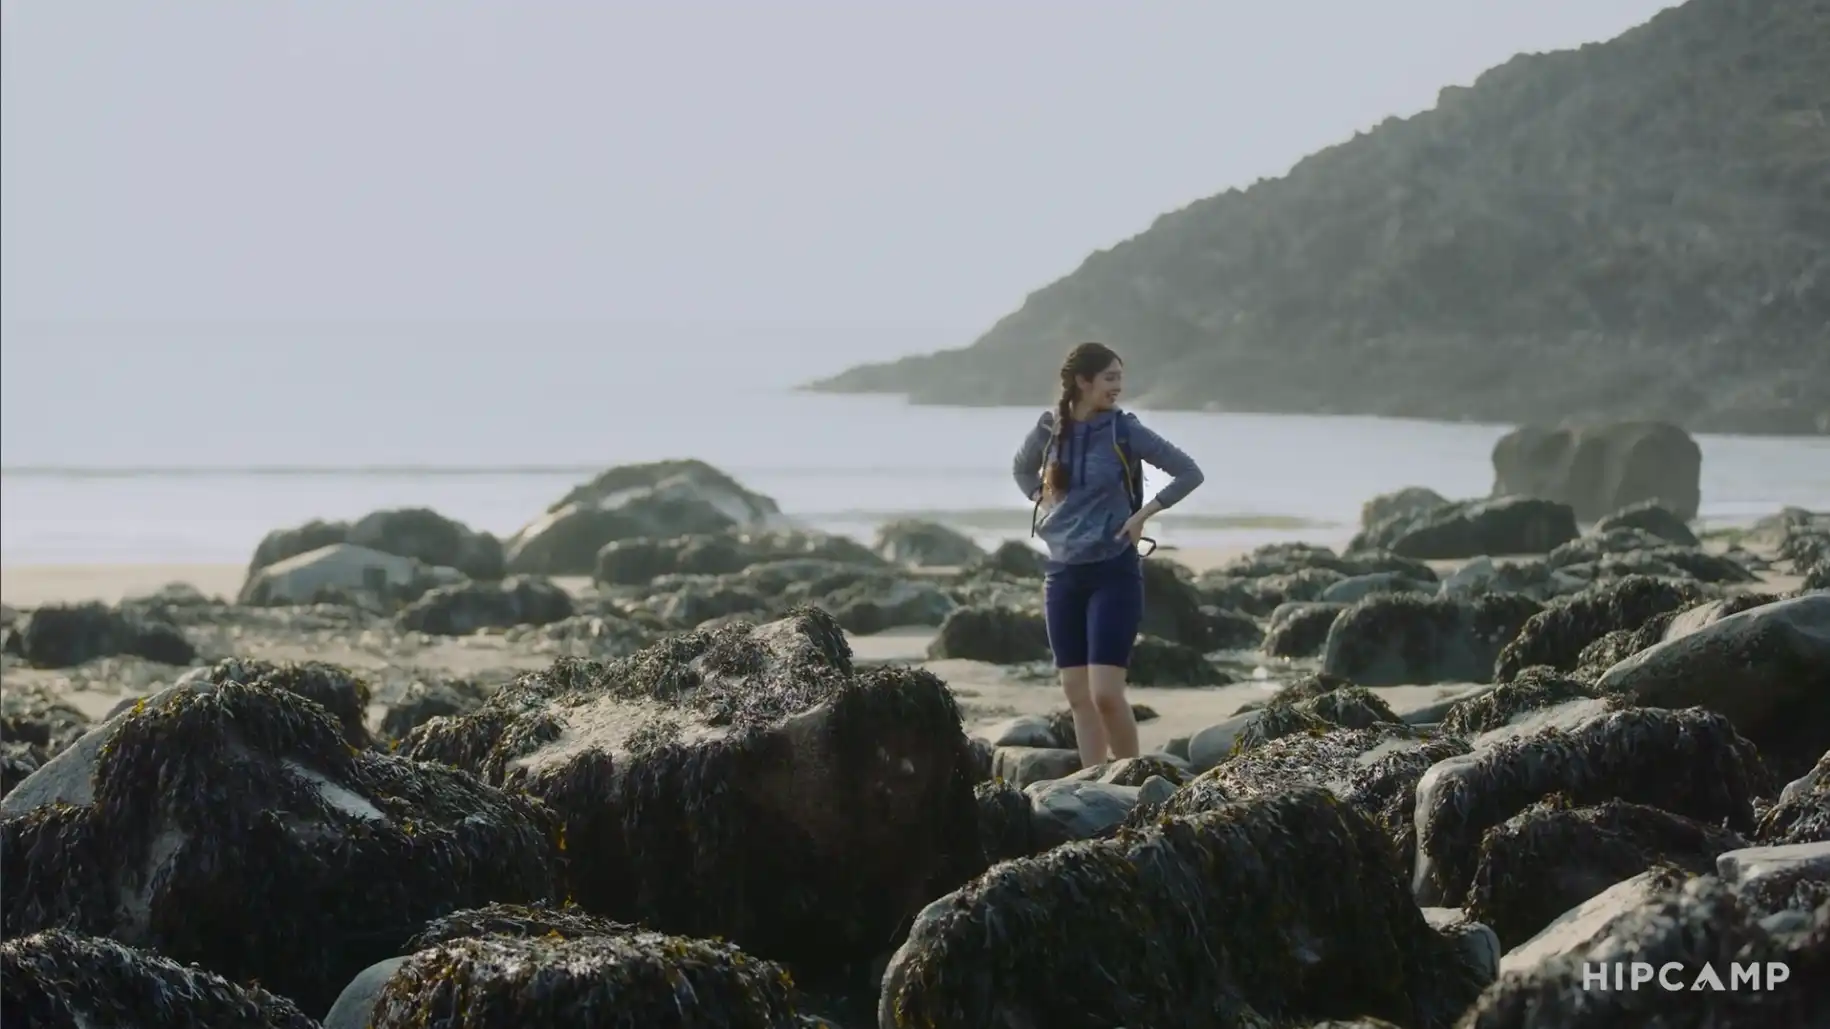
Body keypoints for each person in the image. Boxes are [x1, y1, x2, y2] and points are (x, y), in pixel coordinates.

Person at [1012, 342, 1205, 769]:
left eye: (1120, 377)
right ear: (1083, 381)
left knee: (1106, 694)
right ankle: (1093, 779)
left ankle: (1130, 778)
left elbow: (1189, 471)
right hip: (1062, 573)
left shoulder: (1123, 429)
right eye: (1110, 378)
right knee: (1077, 695)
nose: (1118, 387)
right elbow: (1022, 469)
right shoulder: (1049, 429)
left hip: (1113, 571)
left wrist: (1143, 514)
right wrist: (1042, 499)